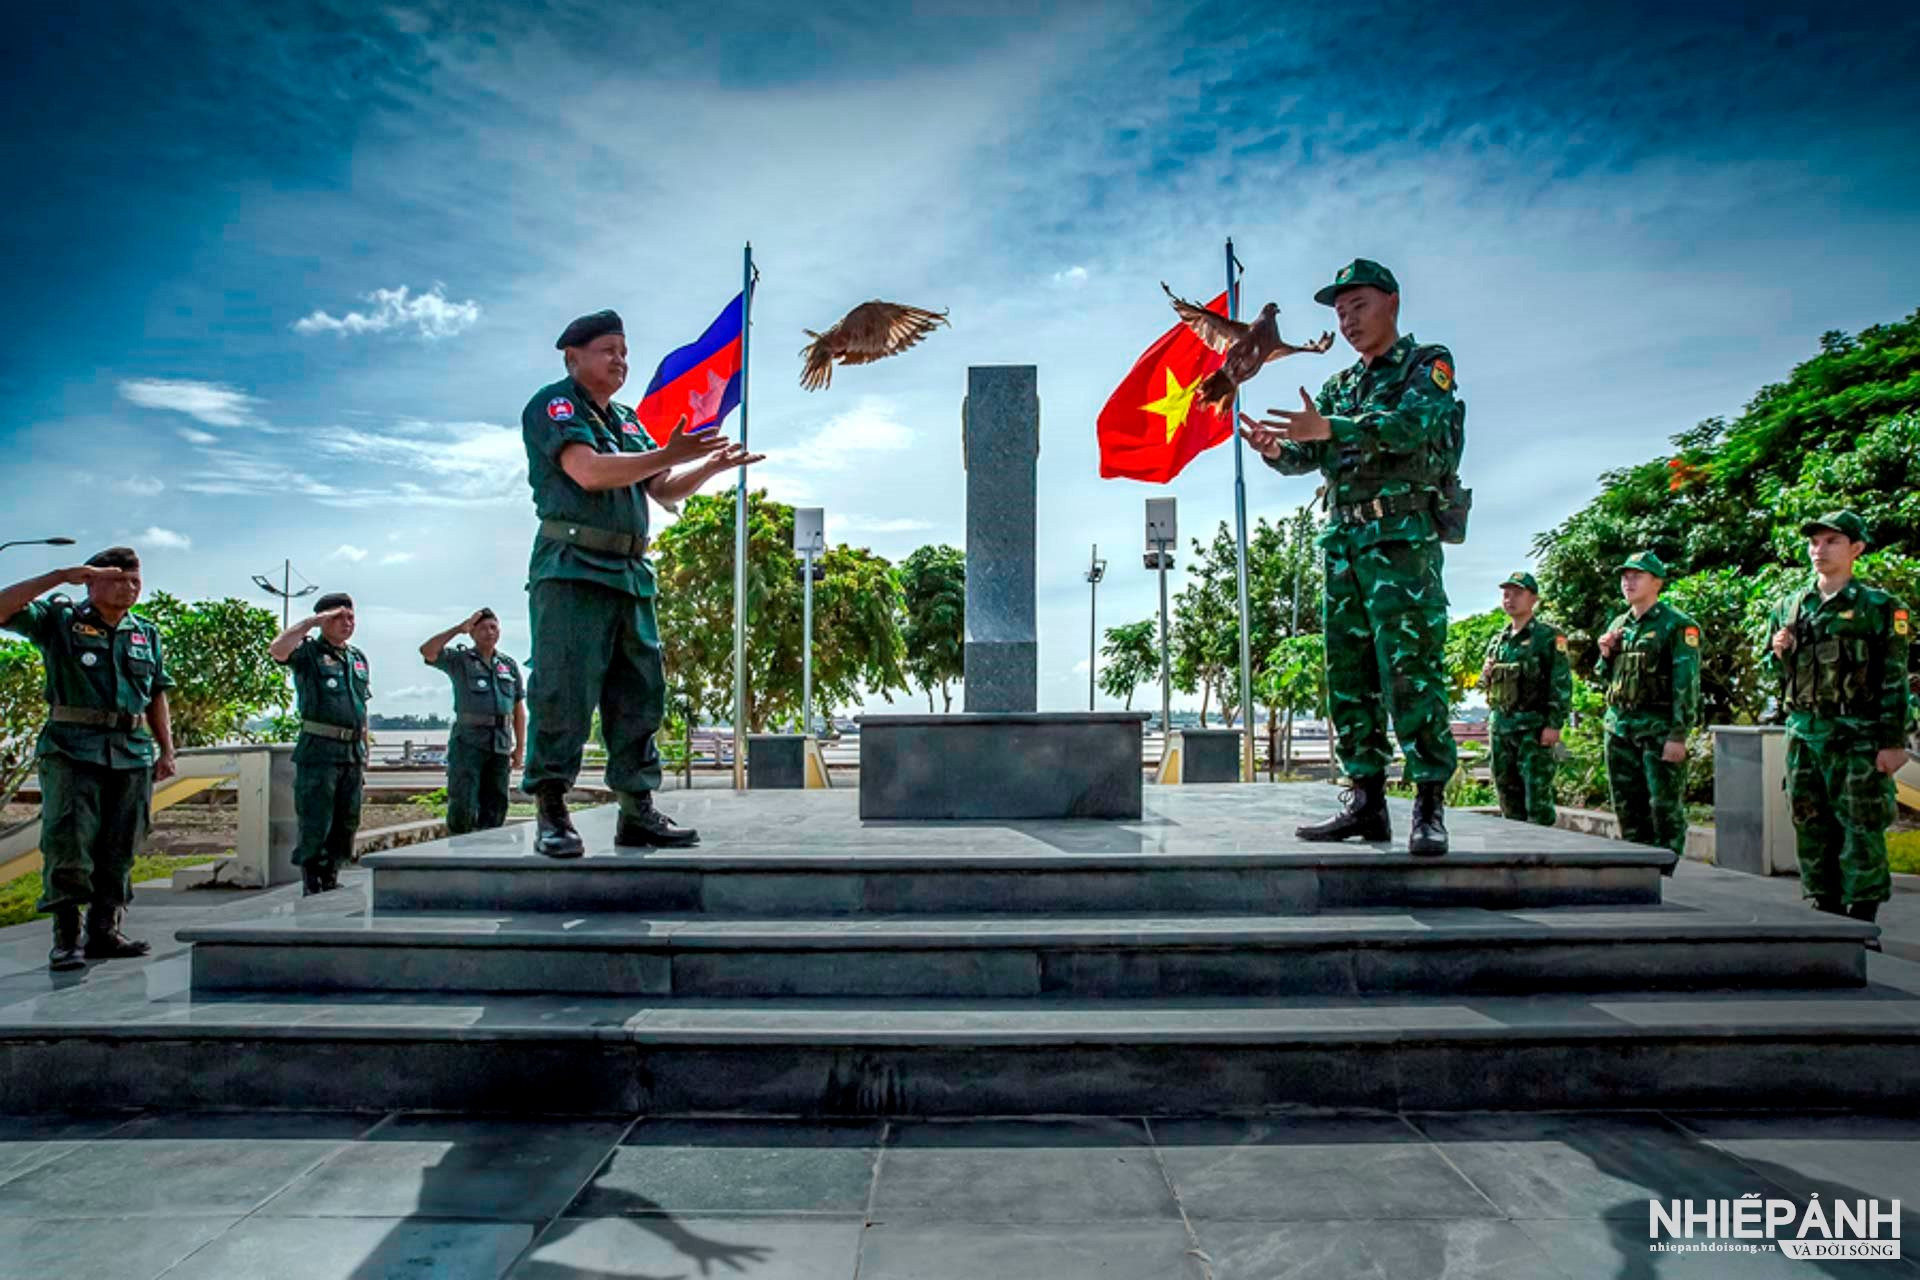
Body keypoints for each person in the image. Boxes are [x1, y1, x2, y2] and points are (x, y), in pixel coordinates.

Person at [1239, 258, 1464, 855]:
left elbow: (1411, 426)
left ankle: (1428, 805)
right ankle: (1366, 802)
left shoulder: (1427, 364)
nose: (1347, 319)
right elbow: (1307, 455)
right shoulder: (1340, 386)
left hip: (1401, 544)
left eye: (1357, 306)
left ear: (1391, 302)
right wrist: (1274, 450)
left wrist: (1330, 429)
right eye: (1339, 312)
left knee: (1411, 671)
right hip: (1343, 545)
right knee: (1349, 677)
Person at [521, 308, 761, 858]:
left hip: (630, 574)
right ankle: (552, 810)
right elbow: (587, 471)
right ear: (572, 356)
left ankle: (637, 809)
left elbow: (665, 490)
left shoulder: (629, 420)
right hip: (573, 568)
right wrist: (668, 453)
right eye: (608, 350)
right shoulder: (555, 405)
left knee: (640, 695)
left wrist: (707, 467)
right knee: (564, 690)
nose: (620, 361)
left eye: (624, 351)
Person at [0, 547, 175, 970]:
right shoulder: (60, 621)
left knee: (121, 844)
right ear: (91, 581)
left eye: (135, 579)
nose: (129, 587)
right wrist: (59, 575)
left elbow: (156, 693)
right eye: (117, 578)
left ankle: (105, 930)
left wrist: (166, 748)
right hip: (72, 748)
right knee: (70, 841)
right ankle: (66, 936)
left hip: (131, 750)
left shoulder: (145, 633)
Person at [1762, 511, 1910, 932]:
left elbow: (1893, 677)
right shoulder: (1788, 607)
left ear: (1856, 549)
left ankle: (1862, 921)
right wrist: (1778, 653)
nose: (1819, 550)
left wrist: (1893, 740)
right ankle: (1825, 913)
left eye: (1831, 541)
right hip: (1805, 735)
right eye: (1814, 542)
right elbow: (1774, 677)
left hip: (1857, 737)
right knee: (1809, 821)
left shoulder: (1879, 608)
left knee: (1861, 826)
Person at [1593, 552, 1699, 867]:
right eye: (1625, 576)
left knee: (1664, 805)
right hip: (1620, 727)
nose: (1629, 581)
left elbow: (1686, 683)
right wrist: (1606, 653)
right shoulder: (1619, 624)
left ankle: (1667, 868)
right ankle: (1636, 866)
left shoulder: (1677, 625)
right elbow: (1604, 676)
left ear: (1657, 582)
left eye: (1637, 575)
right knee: (1627, 804)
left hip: (1657, 727)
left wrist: (1678, 735)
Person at [270, 593, 369, 894]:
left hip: (351, 752)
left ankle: (332, 875)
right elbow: (277, 649)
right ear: (323, 620)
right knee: (317, 819)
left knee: (346, 821)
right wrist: (312, 623)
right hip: (319, 751)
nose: (347, 622)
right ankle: (312, 881)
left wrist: (364, 750)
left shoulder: (357, 658)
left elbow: (360, 707)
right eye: (338, 617)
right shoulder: (309, 653)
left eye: (351, 616)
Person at [420, 608, 525, 834]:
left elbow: (518, 709)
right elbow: (428, 651)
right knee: (463, 801)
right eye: (483, 628)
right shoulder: (460, 660)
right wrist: (458, 629)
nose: (490, 632)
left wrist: (519, 748)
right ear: (472, 632)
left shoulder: (508, 665)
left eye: (494, 627)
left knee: (496, 802)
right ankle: (460, 853)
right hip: (469, 742)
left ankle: (490, 852)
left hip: (500, 743)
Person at [1481, 571, 1572, 826]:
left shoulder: (1549, 637)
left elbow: (1560, 682)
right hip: (1501, 728)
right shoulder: (1499, 640)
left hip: (1533, 729)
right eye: (1506, 594)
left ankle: (1542, 858)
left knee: (1537, 799)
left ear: (1534, 599)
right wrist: (1486, 674)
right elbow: (1488, 685)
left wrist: (1554, 724)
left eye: (1518, 593)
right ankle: (1513, 855)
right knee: (1507, 797)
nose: (1510, 599)